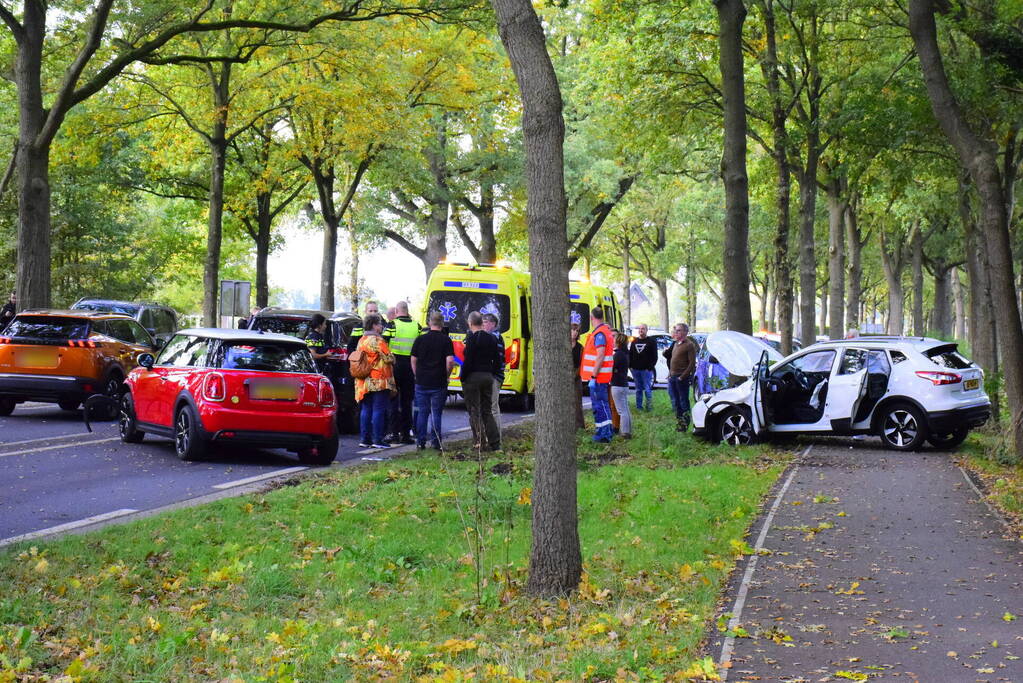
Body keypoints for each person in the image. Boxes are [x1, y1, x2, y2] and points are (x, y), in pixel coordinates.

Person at [411, 311, 455, 450]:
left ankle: (420, 441)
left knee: (422, 412)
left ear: (429, 323)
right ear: (442, 324)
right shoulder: (446, 340)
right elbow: (450, 361)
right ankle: (436, 442)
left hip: (422, 381)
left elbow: (413, 359)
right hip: (439, 381)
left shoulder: (420, 339)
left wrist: (416, 374)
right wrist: (447, 375)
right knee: (436, 413)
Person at [461, 311, 501, 452]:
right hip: (487, 377)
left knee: (474, 411)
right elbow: (497, 359)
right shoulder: (491, 339)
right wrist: (492, 373)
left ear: (470, 323)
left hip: (473, 377)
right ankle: (495, 443)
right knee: (487, 411)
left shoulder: (472, 339)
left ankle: (479, 443)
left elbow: (468, 360)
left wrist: (463, 377)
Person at [354, 313, 395, 449]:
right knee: (378, 410)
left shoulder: (362, 340)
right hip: (379, 380)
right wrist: (393, 357)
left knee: (366, 409)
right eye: (379, 324)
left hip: (364, 380)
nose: (381, 326)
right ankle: (378, 439)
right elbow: (388, 358)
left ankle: (365, 439)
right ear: (374, 325)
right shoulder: (378, 341)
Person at [383, 301, 421, 444]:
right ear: (407, 310)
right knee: (407, 402)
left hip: (394, 365)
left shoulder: (392, 325)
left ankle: (393, 433)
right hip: (411, 366)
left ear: (397, 311)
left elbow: (383, 343)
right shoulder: (416, 326)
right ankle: (406, 434)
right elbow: (420, 345)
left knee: (393, 399)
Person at [580, 306, 614, 443]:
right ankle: (603, 432)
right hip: (601, 377)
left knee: (600, 406)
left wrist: (593, 376)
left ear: (591, 317)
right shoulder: (604, 331)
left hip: (599, 377)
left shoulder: (600, 334)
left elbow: (600, 356)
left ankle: (605, 435)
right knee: (600, 406)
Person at [664, 322, 697, 432]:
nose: (676, 332)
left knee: (683, 402)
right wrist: (670, 373)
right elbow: (672, 360)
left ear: (685, 332)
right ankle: (679, 423)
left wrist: (682, 377)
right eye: (675, 330)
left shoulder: (689, 345)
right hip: (672, 377)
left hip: (681, 378)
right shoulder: (676, 343)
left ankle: (685, 424)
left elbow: (692, 363)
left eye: (678, 330)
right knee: (676, 402)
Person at [482, 312, 505, 441]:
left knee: (493, 408)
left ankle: (496, 439)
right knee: (489, 407)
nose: (483, 325)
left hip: (494, 377)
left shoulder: (494, 338)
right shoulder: (493, 337)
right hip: (492, 376)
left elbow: (496, 360)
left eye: (485, 322)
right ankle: (490, 437)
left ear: (493, 324)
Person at [629, 323, 657, 411]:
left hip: (646, 370)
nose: (641, 330)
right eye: (640, 329)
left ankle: (649, 408)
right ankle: (639, 407)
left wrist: (650, 367)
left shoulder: (651, 341)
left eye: (643, 329)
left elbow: (654, 356)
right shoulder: (634, 341)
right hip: (635, 370)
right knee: (638, 389)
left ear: (646, 330)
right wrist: (630, 366)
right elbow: (631, 354)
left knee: (647, 389)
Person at [610, 331, 633, 439]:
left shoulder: (618, 354)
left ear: (618, 341)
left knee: (621, 410)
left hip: (617, 384)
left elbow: (612, 368)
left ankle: (625, 432)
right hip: (624, 384)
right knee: (626, 409)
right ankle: (628, 429)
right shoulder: (626, 353)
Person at [571, 323, 585, 429]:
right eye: (573, 330)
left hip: (576, 376)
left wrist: (576, 374)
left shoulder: (580, 347)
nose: (575, 333)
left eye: (577, 331)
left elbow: (582, 363)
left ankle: (579, 426)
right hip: (564, 375)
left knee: (577, 402)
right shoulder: (563, 346)